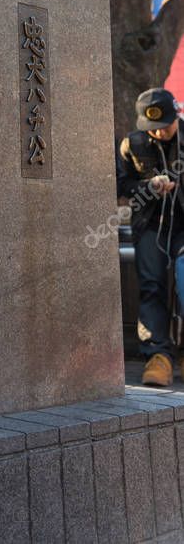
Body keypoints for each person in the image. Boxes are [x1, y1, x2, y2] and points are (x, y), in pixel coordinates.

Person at [117, 88, 184, 386]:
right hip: (150, 226)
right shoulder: (132, 143)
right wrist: (148, 185)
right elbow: (121, 184)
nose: (158, 133)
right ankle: (158, 356)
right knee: (151, 286)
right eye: (152, 128)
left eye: (164, 126)